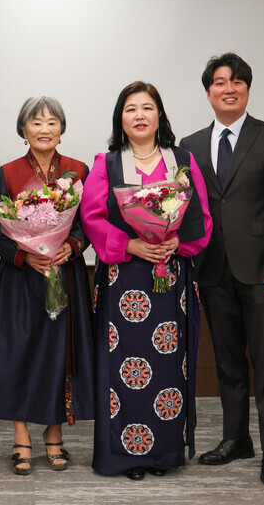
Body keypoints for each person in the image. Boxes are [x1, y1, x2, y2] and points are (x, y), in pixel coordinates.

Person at [80, 82, 212, 480]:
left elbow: (201, 217)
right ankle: (123, 455)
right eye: (130, 109)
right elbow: (91, 218)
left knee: (170, 366)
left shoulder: (183, 160)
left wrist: (174, 241)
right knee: (121, 366)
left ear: (160, 116)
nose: (139, 115)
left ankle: (165, 453)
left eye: (147, 108)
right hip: (123, 279)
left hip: (170, 280)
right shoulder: (107, 163)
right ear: (120, 118)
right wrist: (131, 245)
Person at [179, 53, 264, 486]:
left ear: (247, 89)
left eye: (236, 82)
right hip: (211, 269)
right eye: (219, 82)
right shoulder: (190, 146)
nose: (228, 88)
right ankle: (236, 439)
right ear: (208, 91)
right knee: (229, 364)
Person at [0, 96, 95, 475]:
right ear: (23, 130)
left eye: (52, 122)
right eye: (36, 122)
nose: (44, 128)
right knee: (17, 355)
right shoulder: (6, 173)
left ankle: (54, 436)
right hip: (21, 280)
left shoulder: (78, 170)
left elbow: (88, 222)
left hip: (64, 275)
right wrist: (25, 255)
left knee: (59, 355)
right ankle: (21, 437)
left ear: (62, 129)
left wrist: (70, 248)